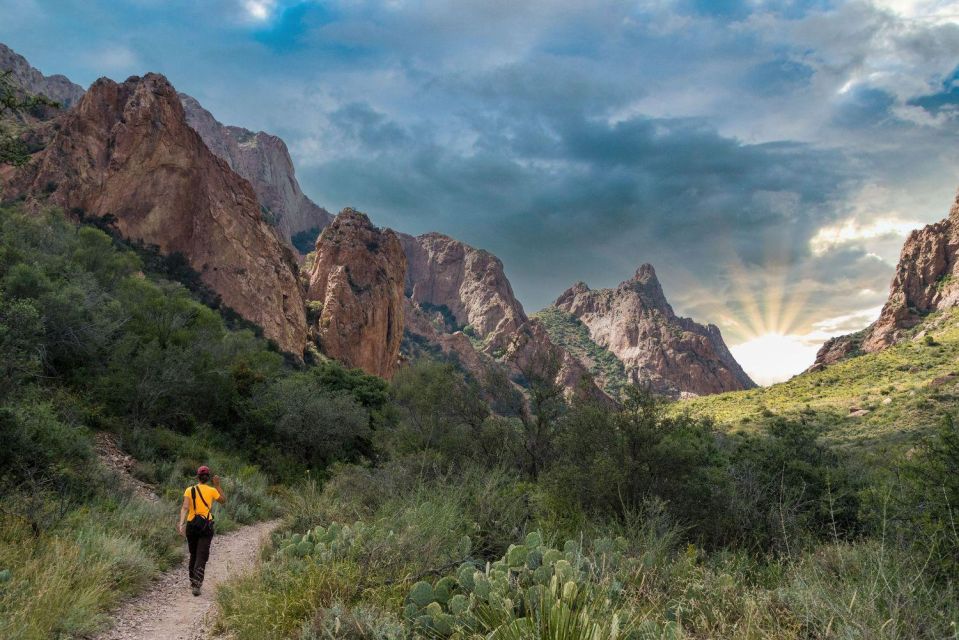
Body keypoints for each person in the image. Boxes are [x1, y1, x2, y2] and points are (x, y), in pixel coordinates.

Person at [177, 465, 226, 596]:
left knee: (193, 554)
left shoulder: (189, 490)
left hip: (192, 525)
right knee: (201, 555)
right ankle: (196, 585)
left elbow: (185, 507)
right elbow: (223, 500)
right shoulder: (212, 490)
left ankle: (193, 582)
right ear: (208, 478)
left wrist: (181, 523)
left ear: (197, 477)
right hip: (206, 526)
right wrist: (217, 485)